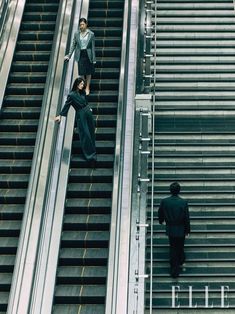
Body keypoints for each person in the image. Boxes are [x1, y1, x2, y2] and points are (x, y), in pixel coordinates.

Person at [54, 77, 97, 166]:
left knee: (91, 131)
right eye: (81, 84)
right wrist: (60, 115)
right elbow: (67, 105)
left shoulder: (83, 92)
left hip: (87, 112)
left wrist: (88, 108)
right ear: (77, 84)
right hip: (80, 114)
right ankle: (90, 155)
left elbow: (85, 102)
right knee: (85, 134)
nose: (83, 85)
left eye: (83, 84)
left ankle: (93, 151)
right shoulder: (72, 95)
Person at [158, 182, 190, 278]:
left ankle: (174, 269)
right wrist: (187, 230)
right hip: (181, 228)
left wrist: (161, 221)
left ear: (170, 190)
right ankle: (181, 259)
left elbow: (160, 213)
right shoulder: (183, 202)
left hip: (170, 228)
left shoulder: (165, 201)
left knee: (173, 247)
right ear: (179, 191)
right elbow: (186, 217)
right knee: (180, 245)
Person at [64, 17, 96, 95]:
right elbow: (73, 45)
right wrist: (69, 55)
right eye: (80, 25)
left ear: (86, 24)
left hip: (88, 53)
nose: (81, 26)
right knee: (81, 72)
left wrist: (94, 59)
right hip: (80, 54)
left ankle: (87, 87)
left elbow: (92, 47)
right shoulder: (76, 34)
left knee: (88, 72)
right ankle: (83, 86)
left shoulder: (91, 34)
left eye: (83, 24)